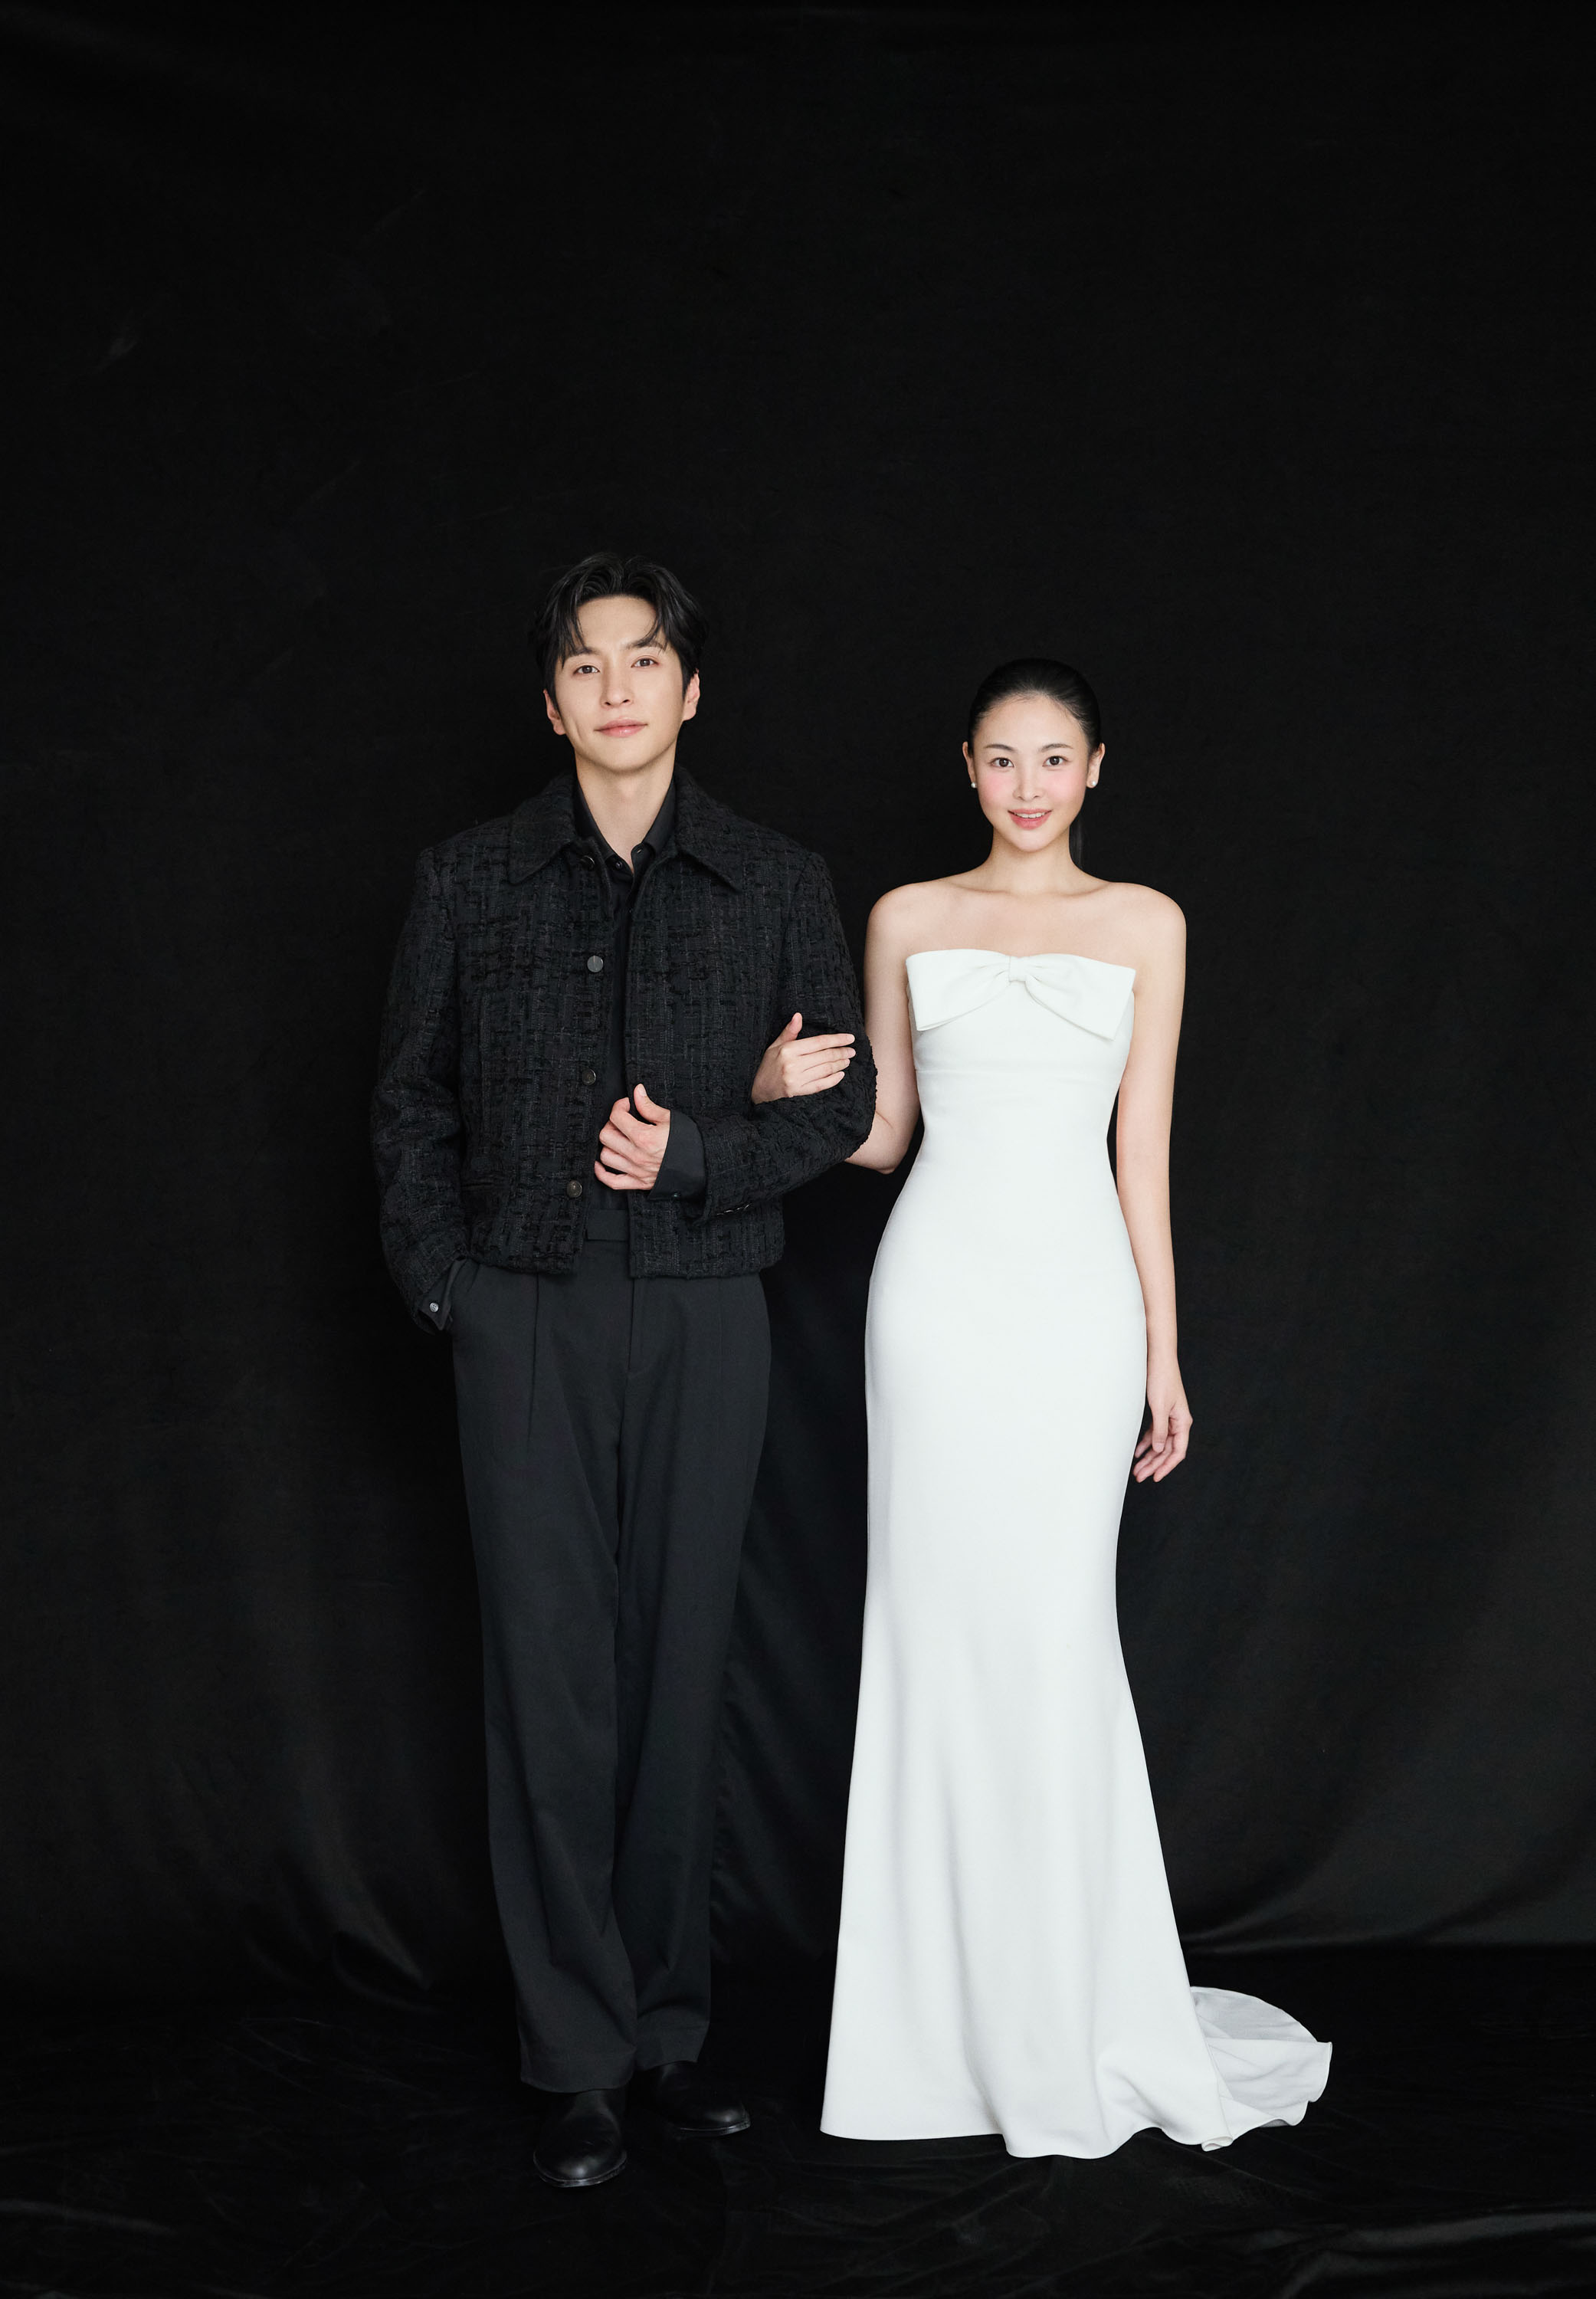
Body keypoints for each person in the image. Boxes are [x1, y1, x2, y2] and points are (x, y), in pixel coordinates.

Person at [761, 658, 1330, 2156]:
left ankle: (1070, 2004)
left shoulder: (1147, 924)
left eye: (1053, 758)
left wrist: (1163, 1351)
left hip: (1075, 1305)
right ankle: (930, 2039)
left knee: (1055, 1635)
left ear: (1094, 770)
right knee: (933, 1636)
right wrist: (775, 1098)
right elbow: (885, 1134)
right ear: (968, 767)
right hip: (934, 1305)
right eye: (1003, 758)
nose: (1027, 785)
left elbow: (1144, 1154)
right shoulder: (907, 916)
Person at [372, 553, 873, 2188]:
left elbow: (843, 1107)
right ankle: (575, 2054)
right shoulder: (469, 878)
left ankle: (666, 2031)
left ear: (689, 689)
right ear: (552, 702)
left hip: (706, 1307)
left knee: (679, 1661)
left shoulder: (774, 878)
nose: (615, 689)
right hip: (521, 1306)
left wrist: (703, 1156)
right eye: (585, 667)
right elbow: (409, 1103)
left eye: (644, 661)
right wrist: (448, 1287)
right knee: (550, 1680)